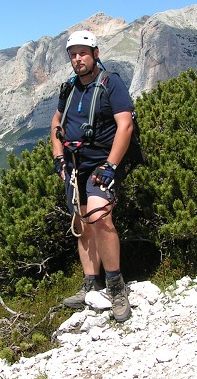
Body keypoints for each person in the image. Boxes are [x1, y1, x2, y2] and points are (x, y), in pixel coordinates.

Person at [50, 30, 134, 322]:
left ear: (95, 54)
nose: (78, 59)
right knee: (81, 222)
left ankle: (115, 287)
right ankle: (90, 283)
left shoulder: (112, 84)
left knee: (100, 217)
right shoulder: (69, 88)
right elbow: (56, 123)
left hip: (101, 164)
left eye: (83, 53)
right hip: (74, 166)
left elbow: (125, 126)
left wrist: (111, 165)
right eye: (73, 54)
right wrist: (58, 157)